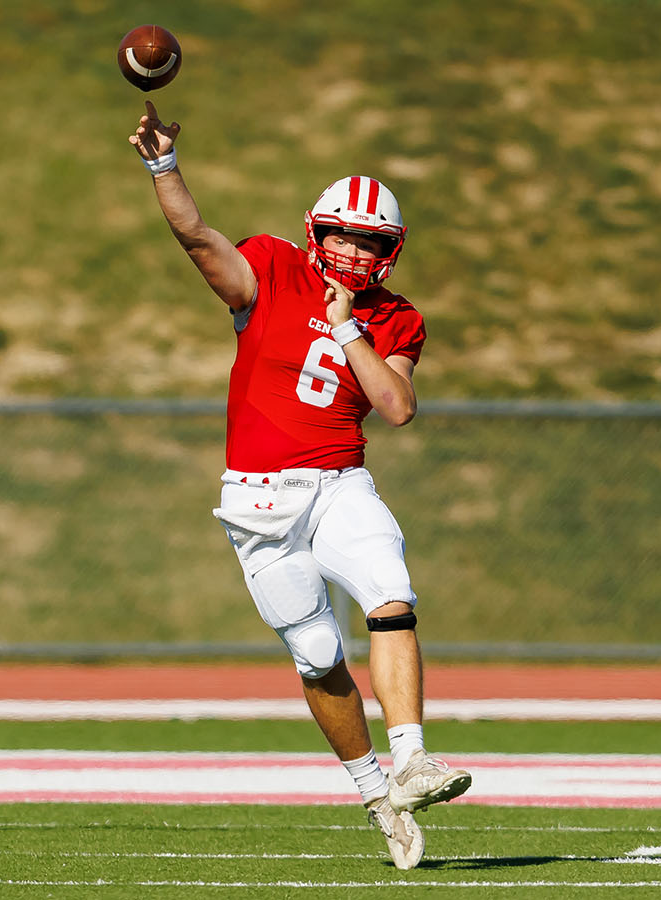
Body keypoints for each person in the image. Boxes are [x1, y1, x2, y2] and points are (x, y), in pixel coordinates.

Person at [128, 100, 471, 870]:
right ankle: (375, 791)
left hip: (341, 481)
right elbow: (194, 235)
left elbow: (398, 407)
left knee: (391, 594)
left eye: (369, 241)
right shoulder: (272, 267)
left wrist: (349, 326)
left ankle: (414, 757)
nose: (352, 250)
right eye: (343, 235)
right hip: (258, 497)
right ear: (317, 234)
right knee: (318, 655)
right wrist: (162, 165)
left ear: (389, 251)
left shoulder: (395, 318)